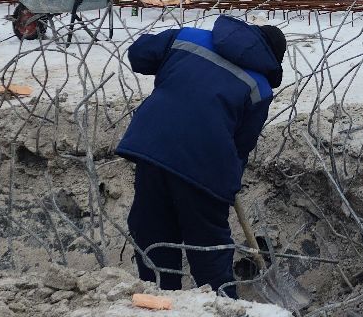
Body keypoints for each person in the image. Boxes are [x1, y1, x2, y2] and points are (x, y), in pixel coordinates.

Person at [117, 16, 286, 294]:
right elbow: (240, 147)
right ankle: (225, 314)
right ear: (270, 60)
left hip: (152, 147)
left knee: (153, 235)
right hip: (205, 168)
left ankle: (160, 305)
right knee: (208, 247)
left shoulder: (187, 38)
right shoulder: (259, 87)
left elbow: (139, 55)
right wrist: (228, 185)